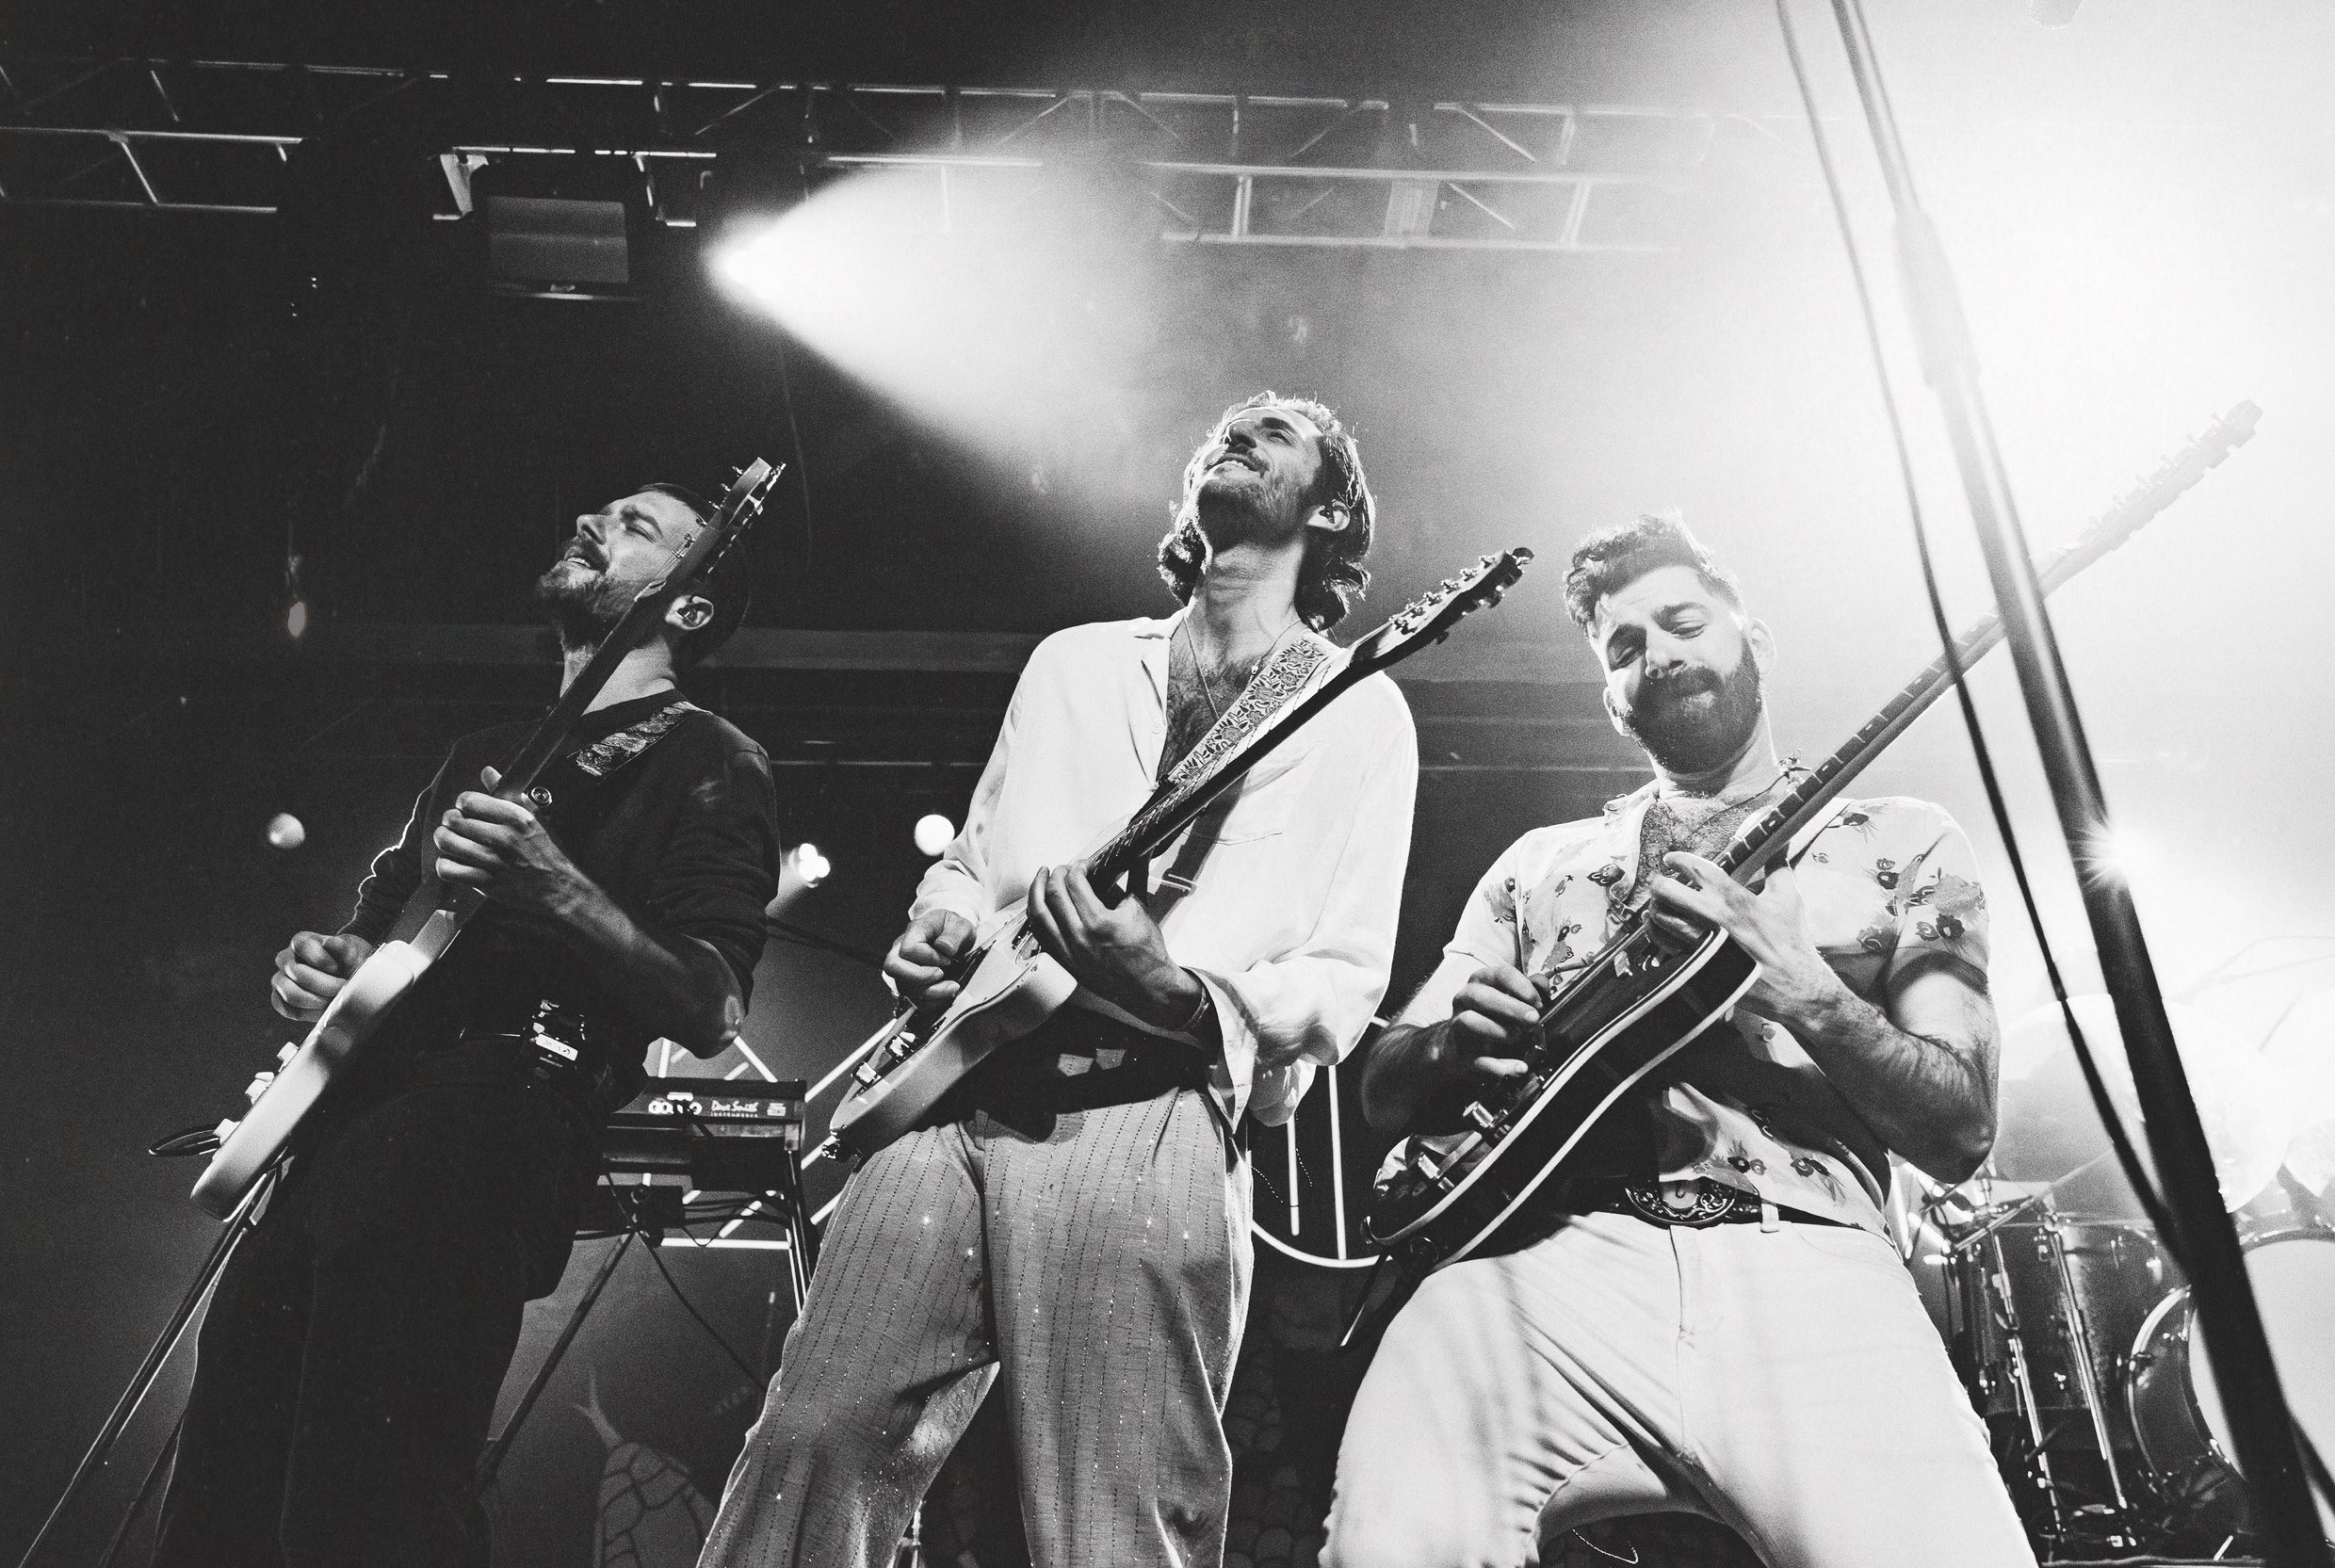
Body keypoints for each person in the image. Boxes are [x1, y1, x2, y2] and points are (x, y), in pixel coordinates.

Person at [698, 394, 1419, 1568]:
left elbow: (1343, 971)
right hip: (947, 1097)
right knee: (812, 1435)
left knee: (1111, 1512)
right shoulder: (1075, 661)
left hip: (1149, 1103)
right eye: (1224, 428)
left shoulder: (1357, 708)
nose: (1234, 433)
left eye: (1277, 431)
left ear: (1331, 507)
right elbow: (975, 863)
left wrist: (1183, 993)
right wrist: (933, 926)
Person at [1326, 513, 2035, 1568]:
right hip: (1545, 1255)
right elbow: (1380, 1087)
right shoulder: (1539, 864)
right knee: (1389, 1542)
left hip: (1804, 1249)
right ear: (1610, 699)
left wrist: (1801, 985)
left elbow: (1959, 1123)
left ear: (1754, 638)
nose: (1656, 651)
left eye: (1683, 620)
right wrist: (1444, 1052)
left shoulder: (1898, 840)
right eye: (1623, 646)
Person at [155, 484, 779, 1568]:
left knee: (376, 1487)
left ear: (689, 605)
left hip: (494, 1113)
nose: (592, 517)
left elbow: (712, 1000)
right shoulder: (485, 747)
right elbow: (381, 933)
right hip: (353, 1115)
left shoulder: (711, 756)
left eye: (636, 526)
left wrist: (556, 884)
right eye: (600, 508)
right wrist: (326, 968)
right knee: (229, 1471)